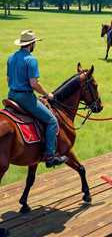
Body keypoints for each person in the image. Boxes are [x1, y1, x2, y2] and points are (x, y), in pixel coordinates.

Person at [7, 30, 68, 168]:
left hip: (11, 95)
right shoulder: (31, 59)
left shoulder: (11, 57)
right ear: (31, 44)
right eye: (34, 43)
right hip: (25, 97)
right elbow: (34, 84)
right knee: (52, 121)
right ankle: (50, 156)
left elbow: (8, 79)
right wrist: (47, 94)